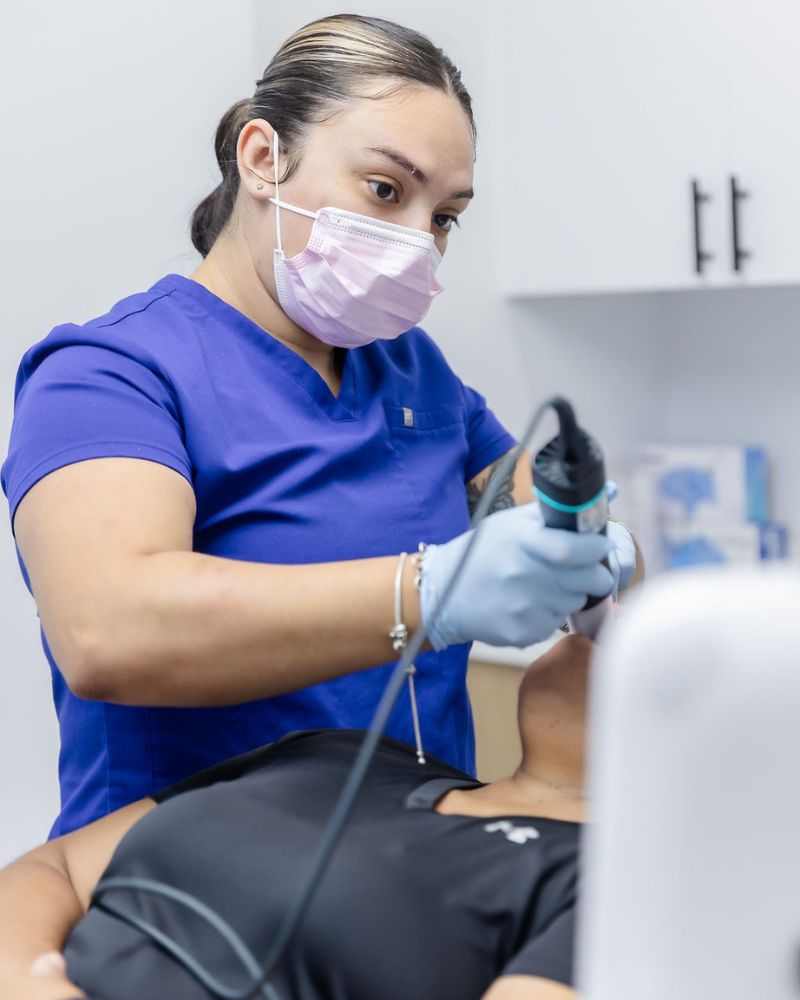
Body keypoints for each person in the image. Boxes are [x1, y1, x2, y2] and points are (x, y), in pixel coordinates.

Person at [0, 13, 637, 838]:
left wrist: (594, 546)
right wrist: (431, 592)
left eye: (444, 216)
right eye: (386, 190)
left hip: (421, 862)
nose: (419, 243)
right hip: (192, 881)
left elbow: (534, 498)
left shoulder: (412, 370)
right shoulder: (109, 374)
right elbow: (106, 631)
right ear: (263, 158)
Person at [0, 633, 598, 1000]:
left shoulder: (608, 891)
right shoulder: (343, 753)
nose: (616, 617)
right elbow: (56, 869)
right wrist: (28, 983)